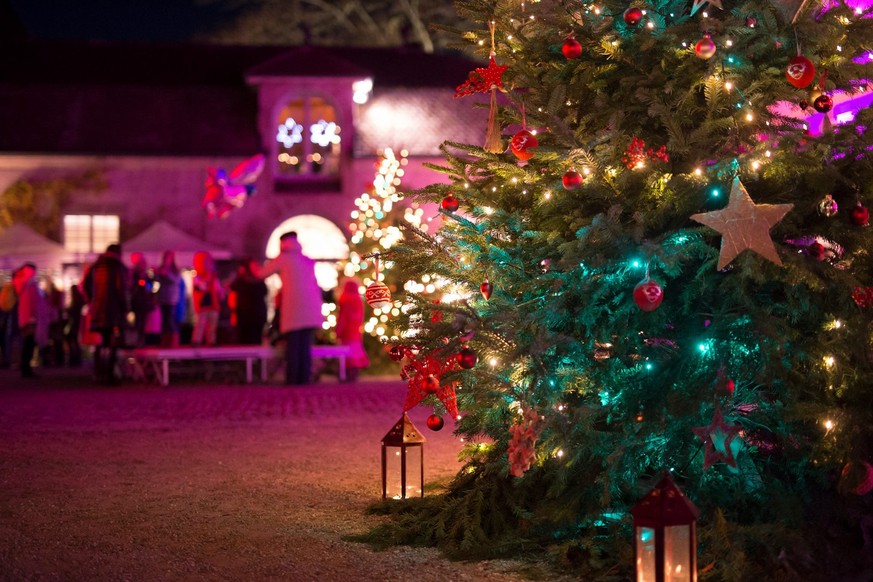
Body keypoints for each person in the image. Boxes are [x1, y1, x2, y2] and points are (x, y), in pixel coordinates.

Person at [257, 232, 323, 385]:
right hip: (311, 311)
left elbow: (262, 274)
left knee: (293, 346)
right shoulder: (306, 260)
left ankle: (293, 379)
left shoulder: (284, 259)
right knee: (305, 347)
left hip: (294, 311)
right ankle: (304, 378)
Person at [83, 243, 129, 384]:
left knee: (101, 342)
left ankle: (98, 373)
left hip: (98, 310)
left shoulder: (96, 266)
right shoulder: (118, 266)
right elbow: (121, 289)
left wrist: (92, 301)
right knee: (113, 342)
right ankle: (110, 375)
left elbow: (85, 286)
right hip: (113, 310)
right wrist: (125, 308)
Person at [14, 263, 47, 378]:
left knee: (28, 343)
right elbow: (31, 302)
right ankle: (26, 368)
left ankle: (25, 368)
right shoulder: (29, 284)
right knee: (29, 343)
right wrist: (33, 316)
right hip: (30, 318)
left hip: (26, 317)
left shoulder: (22, 283)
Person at [334, 278, 369, 382]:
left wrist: (338, 331)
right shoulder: (358, 300)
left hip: (347, 333)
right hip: (355, 332)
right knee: (355, 353)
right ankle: (353, 374)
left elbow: (343, 318)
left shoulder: (345, 300)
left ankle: (346, 375)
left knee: (346, 355)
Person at [228, 258, 268, 345]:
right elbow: (233, 297)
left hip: (258, 317)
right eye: (253, 266)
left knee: (256, 341)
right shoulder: (239, 282)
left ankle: (256, 358)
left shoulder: (260, 281)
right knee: (244, 341)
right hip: (244, 317)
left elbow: (264, 293)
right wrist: (233, 313)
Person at [191, 251, 223, 346]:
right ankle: (196, 341)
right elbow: (201, 288)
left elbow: (217, 288)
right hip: (203, 304)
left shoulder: (214, 277)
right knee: (200, 324)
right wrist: (208, 279)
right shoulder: (197, 276)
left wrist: (220, 293)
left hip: (213, 303)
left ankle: (211, 341)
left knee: (212, 325)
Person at [129, 252, 159, 346]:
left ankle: (140, 340)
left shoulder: (146, 275)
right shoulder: (134, 274)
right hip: (137, 303)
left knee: (143, 323)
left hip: (144, 303)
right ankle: (136, 341)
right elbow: (132, 288)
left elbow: (152, 287)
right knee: (137, 322)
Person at [155, 250, 181, 348]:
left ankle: (173, 343)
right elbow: (157, 283)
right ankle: (164, 342)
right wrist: (157, 273)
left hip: (172, 299)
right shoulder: (161, 268)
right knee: (164, 322)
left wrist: (166, 274)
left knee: (171, 321)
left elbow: (175, 281)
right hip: (163, 299)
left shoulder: (175, 270)